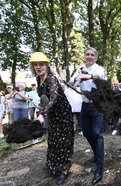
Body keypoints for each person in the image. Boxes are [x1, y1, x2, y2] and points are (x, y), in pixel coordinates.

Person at [29, 51, 74, 185]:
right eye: (35, 65)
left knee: (63, 141)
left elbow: (54, 98)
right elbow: (45, 98)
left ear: (47, 65)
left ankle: (64, 170)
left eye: (41, 64)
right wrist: (43, 109)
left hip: (63, 113)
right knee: (53, 139)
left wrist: (42, 114)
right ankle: (53, 165)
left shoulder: (52, 79)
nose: (38, 67)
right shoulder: (38, 79)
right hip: (53, 113)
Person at [70, 47, 106, 185]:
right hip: (84, 105)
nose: (90, 56)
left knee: (97, 134)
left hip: (97, 105)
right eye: (87, 54)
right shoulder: (80, 68)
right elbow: (72, 82)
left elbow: (98, 77)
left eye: (92, 55)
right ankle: (96, 156)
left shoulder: (99, 68)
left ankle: (100, 169)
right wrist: (75, 78)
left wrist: (88, 76)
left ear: (96, 57)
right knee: (85, 132)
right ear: (85, 56)